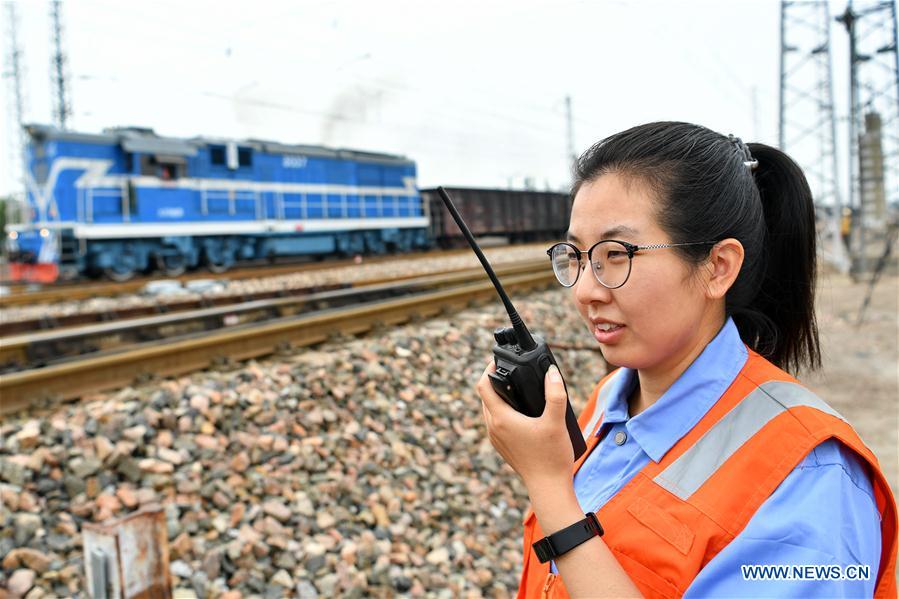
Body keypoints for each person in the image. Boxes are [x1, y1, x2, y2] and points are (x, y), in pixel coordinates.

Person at [474, 122, 897, 598]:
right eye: (576, 255)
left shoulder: (813, 478)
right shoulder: (608, 401)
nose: (586, 290)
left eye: (617, 254)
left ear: (718, 267)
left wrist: (548, 484)